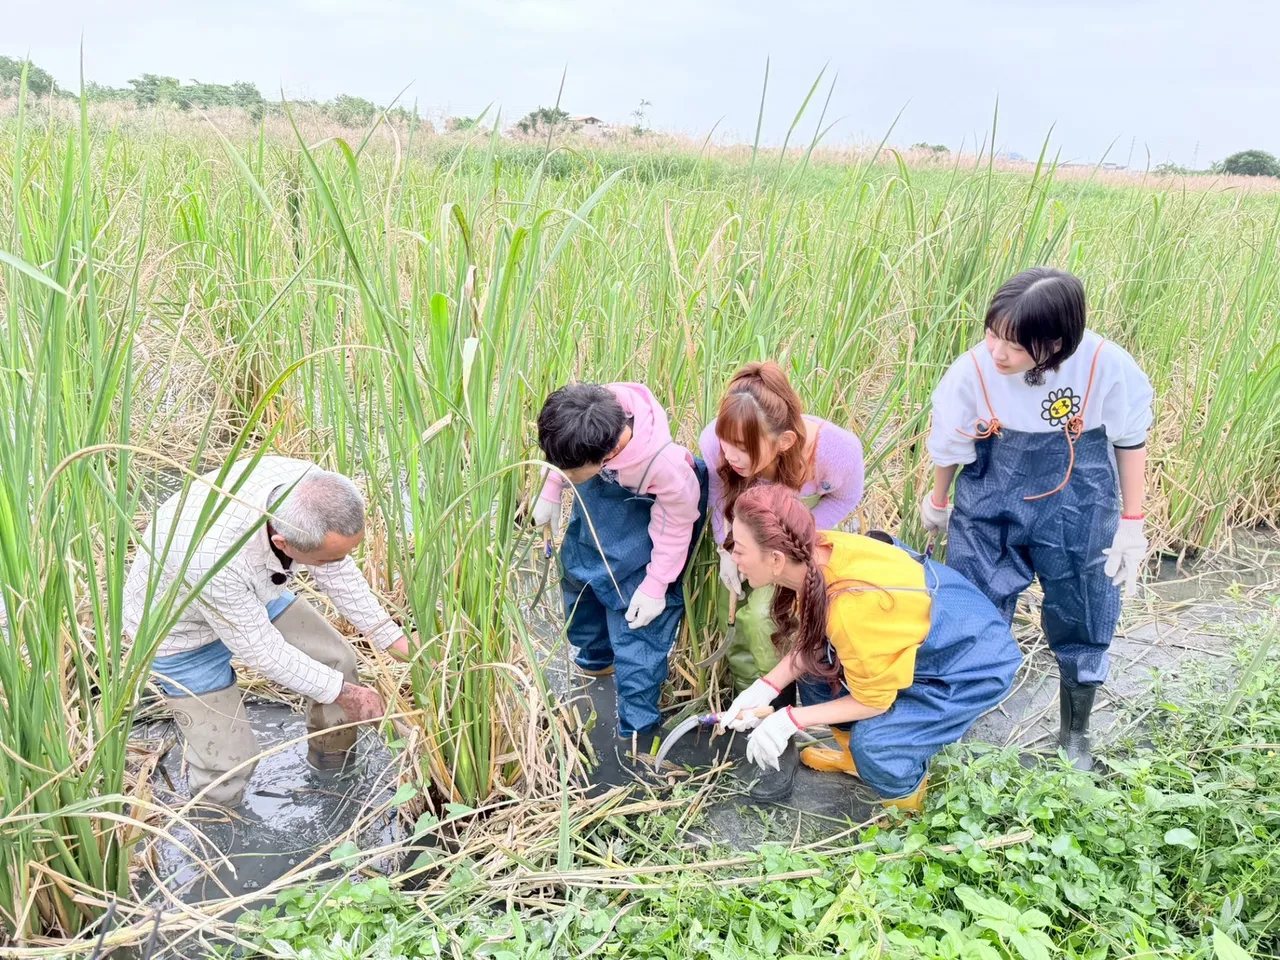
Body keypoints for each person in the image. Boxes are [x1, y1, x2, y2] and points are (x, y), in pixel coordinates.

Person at [919, 267, 1154, 769]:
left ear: (1056, 343)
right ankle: (959, 727)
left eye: (1014, 345)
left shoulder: (1105, 365)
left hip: (1080, 496)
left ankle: (1075, 733)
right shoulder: (974, 369)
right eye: (992, 334)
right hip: (992, 497)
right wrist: (938, 502)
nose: (997, 352)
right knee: (970, 605)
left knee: (1085, 604)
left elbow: (1130, 438)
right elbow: (950, 441)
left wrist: (1132, 521)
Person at [124, 457, 412, 806]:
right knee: (227, 765)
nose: (334, 565)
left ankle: (332, 774)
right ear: (283, 542)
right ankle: (217, 832)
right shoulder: (215, 556)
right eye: (324, 559)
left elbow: (339, 571)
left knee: (337, 661)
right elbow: (262, 651)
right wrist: (347, 695)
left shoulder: (310, 488)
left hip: (252, 592)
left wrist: (395, 641)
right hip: (178, 630)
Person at [720, 484, 1021, 809]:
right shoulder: (814, 554)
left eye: (739, 549)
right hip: (919, 642)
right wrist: (765, 688)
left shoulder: (851, 610)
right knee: (817, 672)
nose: (732, 556)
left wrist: (789, 720)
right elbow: (814, 641)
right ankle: (854, 762)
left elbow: (874, 702)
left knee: (876, 746)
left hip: (969, 665)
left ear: (776, 558)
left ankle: (907, 810)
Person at [531, 383, 707, 740]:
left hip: (647, 539)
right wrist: (551, 488)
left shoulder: (666, 468)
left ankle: (637, 733)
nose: (560, 471)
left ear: (604, 459)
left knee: (636, 633)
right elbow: (564, 456)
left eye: (566, 470)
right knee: (580, 588)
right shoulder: (592, 411)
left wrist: (656, 586)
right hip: (594, 526)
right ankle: (597, 661)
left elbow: (676, 527)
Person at [699, 362, 864, 692]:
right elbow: (718, 494)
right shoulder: (714, 443)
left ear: (785, 440)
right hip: (744, 526)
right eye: (725, 440)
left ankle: (777, 698)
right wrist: (726, 546)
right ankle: (745, 694)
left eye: (743, 448)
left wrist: (793, 537)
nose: (729, 454)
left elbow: (846, 500)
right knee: (728, 611)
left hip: (796, 535)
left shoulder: (836, 452)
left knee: (762, 618)